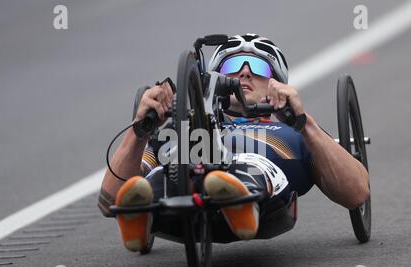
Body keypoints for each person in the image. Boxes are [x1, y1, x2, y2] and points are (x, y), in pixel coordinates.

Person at [98, 34, 370, 252]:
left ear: (278, 83)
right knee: (159, 173)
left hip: (261, 183)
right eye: (232, 66)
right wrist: (139, 129)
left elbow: (357, 193)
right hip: (183, 177)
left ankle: (238, 199)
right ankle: (140, 214)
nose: (245, 73)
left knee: (250, 163)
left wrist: (304, 122)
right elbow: (109, 199)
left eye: (259, 67)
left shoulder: (295, 133)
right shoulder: (180, 128)